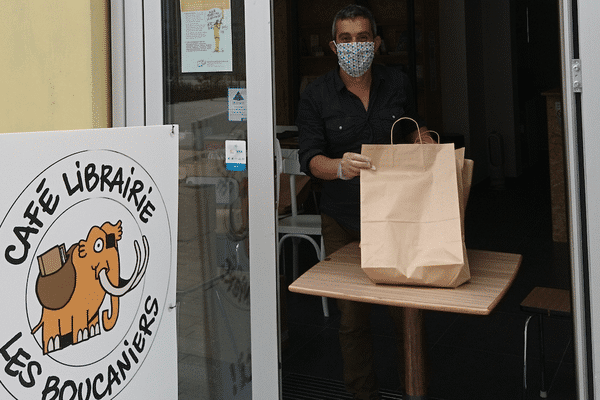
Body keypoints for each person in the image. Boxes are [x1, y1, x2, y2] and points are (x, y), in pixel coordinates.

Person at [296, 5, 434, 400]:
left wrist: (421, 139)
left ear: (375, 44)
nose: (354, 46)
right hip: (342, 219)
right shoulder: (316, 95)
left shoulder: (398, 83)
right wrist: (339, 167)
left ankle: (415, 389)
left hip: (397, 217)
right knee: (352, 320)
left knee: (406, 314)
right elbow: (309, 159)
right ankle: (362, 395)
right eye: (345, 39)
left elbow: (413, 126)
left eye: (361, 39)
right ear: (333, 46)